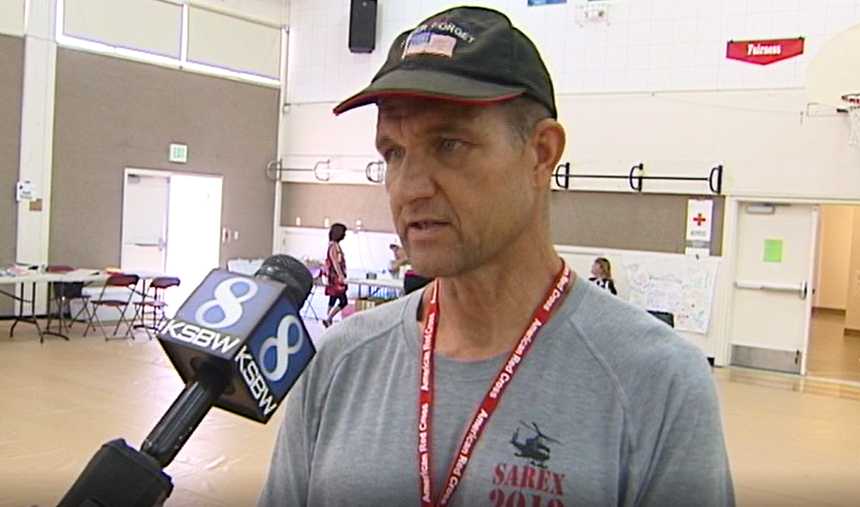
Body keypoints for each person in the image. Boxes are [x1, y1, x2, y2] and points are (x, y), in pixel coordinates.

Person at [260, 7, 733, 507]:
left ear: (541, 153)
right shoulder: (340, 361)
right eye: (393, 152)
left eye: (449, 144)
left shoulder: (656, 382)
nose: (409, 188)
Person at [322, 222, 348, 328]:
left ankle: (327, 317)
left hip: (335, 277)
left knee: (333, 297)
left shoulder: (335, 245)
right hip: (335, 278)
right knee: (343, 301)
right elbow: (335, 262)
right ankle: (329, 318)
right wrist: (340, 275)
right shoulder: (333, 246)